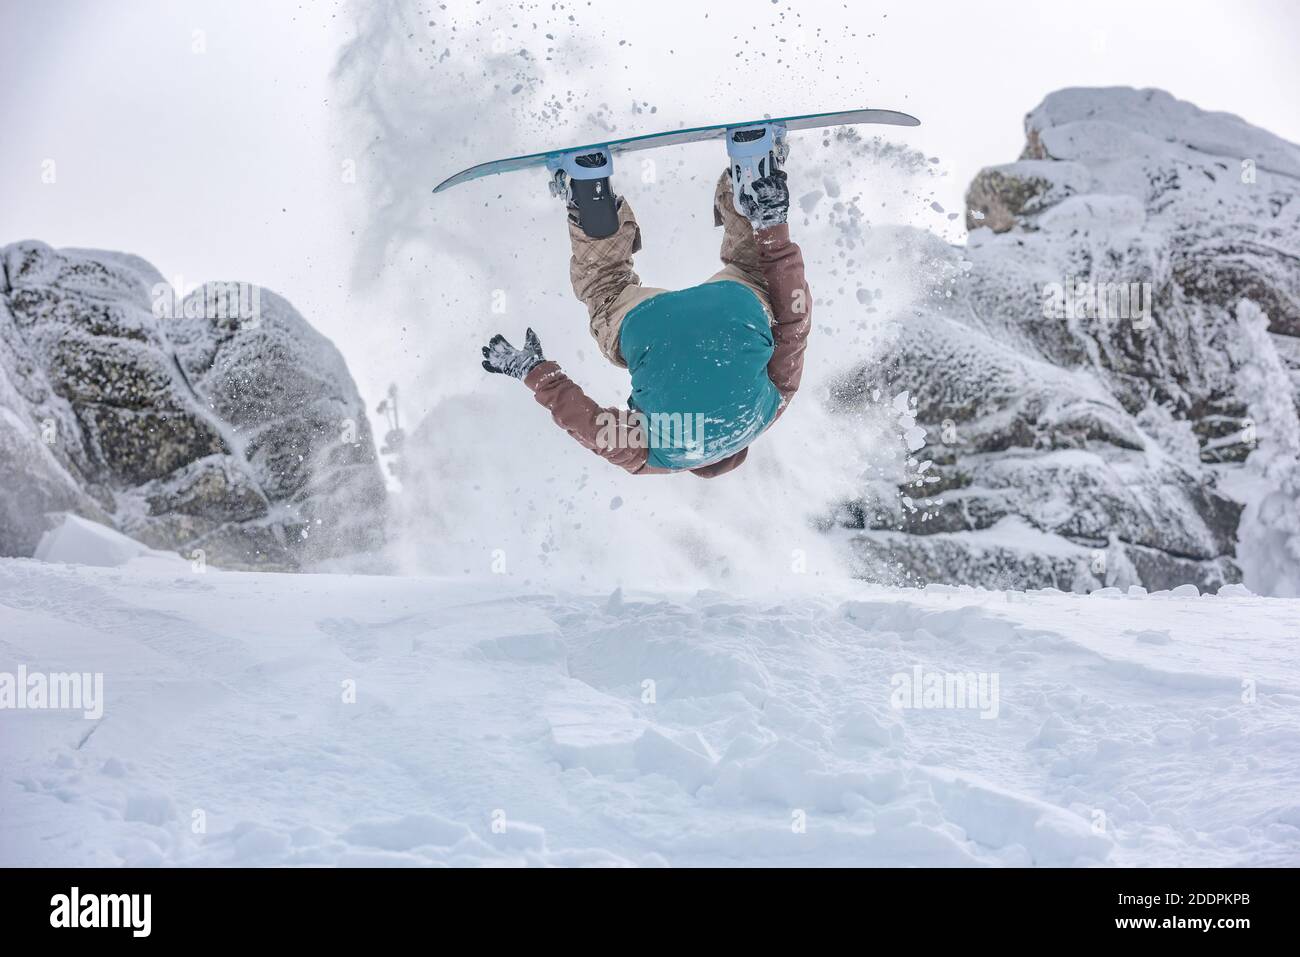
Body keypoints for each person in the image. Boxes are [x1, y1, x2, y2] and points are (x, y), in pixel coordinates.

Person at [480, 145, 811, 478]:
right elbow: (591, 427)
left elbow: (795, 321)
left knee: (757, 270)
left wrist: (774, 232)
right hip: (650, 327)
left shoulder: (768, 411)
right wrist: (533, 371)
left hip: (733, 306)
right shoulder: (660, 455)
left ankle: (755, 173)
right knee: (605, 289)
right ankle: (588, 190)